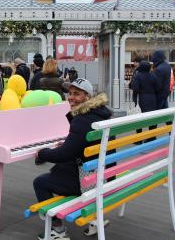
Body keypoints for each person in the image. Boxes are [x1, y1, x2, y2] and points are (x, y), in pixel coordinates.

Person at [33, 78, 111, 240]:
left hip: (89, 182)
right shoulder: (100, 114)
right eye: (70, 93)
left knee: (40, 182)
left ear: (87, 97)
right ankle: (95, 217)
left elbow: (63, 155)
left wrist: (42, 153)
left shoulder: (82, 120)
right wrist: (69, 143)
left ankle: (58, 230)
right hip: (104, 174)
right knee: (62, 168)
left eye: (77, 94)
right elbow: (83, 143)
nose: (71, 97)